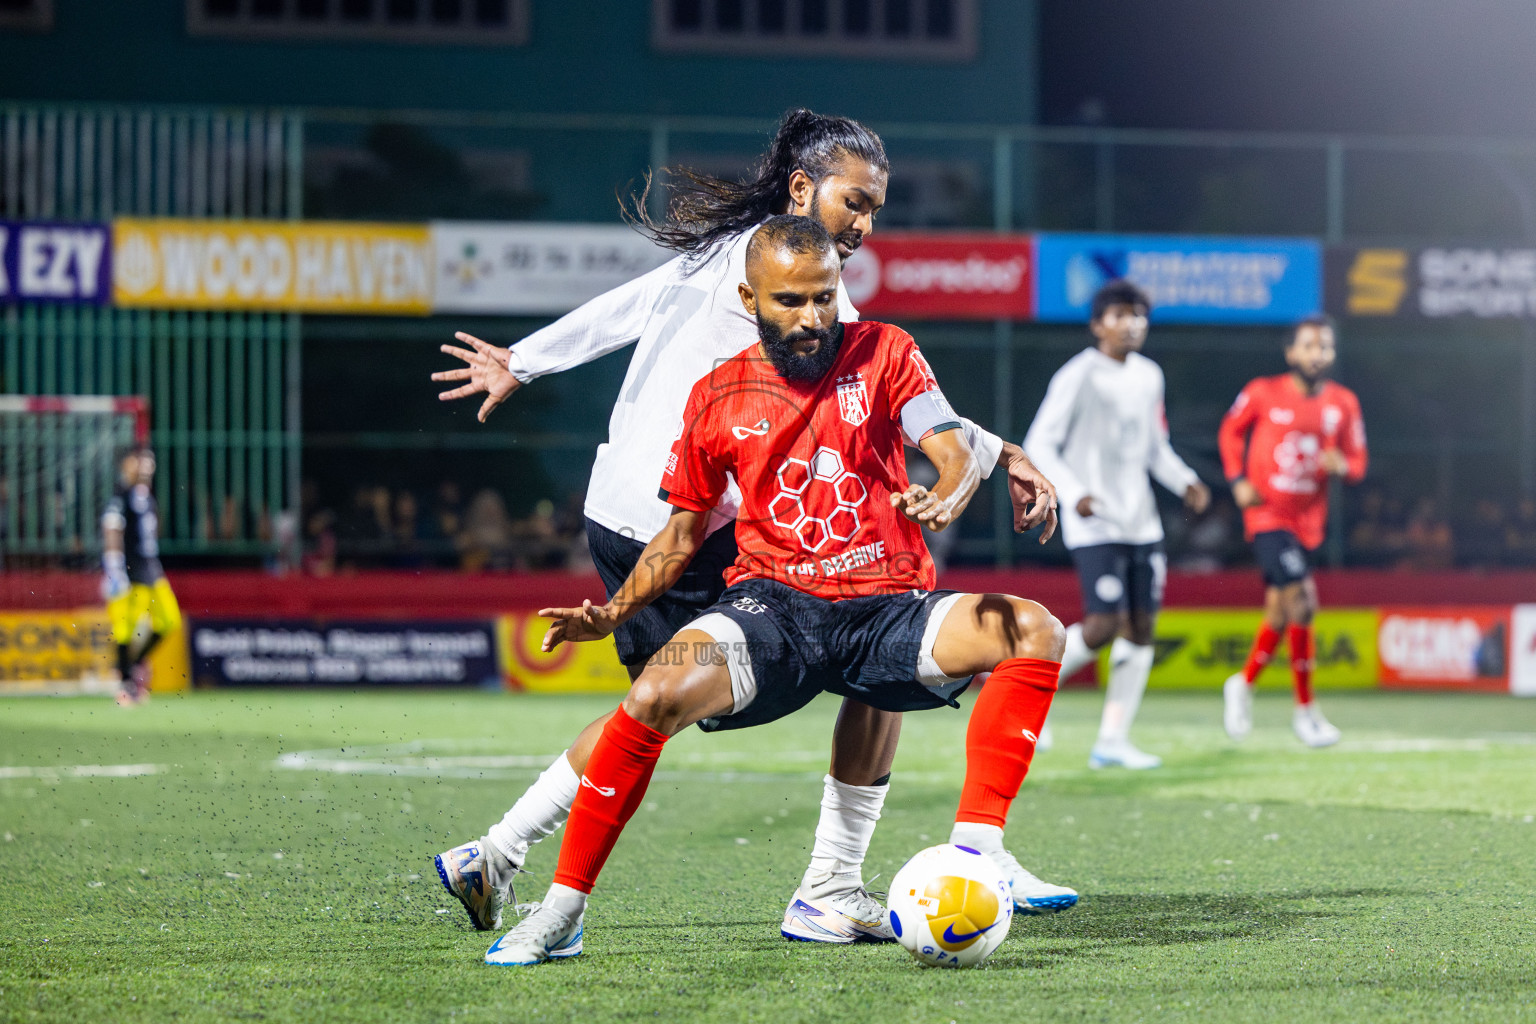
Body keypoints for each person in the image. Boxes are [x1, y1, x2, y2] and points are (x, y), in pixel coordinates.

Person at [430, 110, 1071, 943]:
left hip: (639, 504)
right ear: (804, 190)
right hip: (674, 518)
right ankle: (511, 850)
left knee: (858, 626)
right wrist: (996, 449)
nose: (866, 226)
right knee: (672, 695)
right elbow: (859, 379)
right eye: (857, 202)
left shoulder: (747, 251)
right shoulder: (786, 274)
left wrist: (524, 360)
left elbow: (643, 305)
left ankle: (825, 883)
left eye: (876, 208)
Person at [1024, 280, 1210, 770]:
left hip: (1141, 522)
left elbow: (1154, 448)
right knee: (1103, 625)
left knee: (1142, 628)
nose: (1132, 324)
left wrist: (1186, 480)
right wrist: (1073, 490)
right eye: (1122, 314)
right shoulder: (1078, 375)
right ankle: (1024, 700)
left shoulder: (1149, 375)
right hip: (1096, 522)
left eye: (1140, 315)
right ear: (1097, 324)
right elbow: (1039, 441)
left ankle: (1112, 740)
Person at [1218, 314, 1368, 748]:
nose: (1316, 353)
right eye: (1308, 346)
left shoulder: (1343, 403)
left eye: (1324, 346)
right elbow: (1231, 431)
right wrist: (1237, 479)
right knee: (1303, 602)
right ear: (1291, 353)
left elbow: (1358, 463)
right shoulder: (1263, 391)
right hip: (1267, 516)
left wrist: (1344, 466)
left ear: (1332, 353)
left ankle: (1242, 684)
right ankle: (1305, 713)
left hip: (1309, 525)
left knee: (1281, 612)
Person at [101, 448, 182, 706]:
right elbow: (112, 529)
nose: (146, 464)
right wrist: (114, 568)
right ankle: (125, 686)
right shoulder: (120, 496)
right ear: (128, 464)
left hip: (152, 569)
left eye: (149, 460)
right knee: (125, 630)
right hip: (130, 571)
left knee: (169, 620)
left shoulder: (146, 497)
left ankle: (134, 667)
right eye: (140, 459)